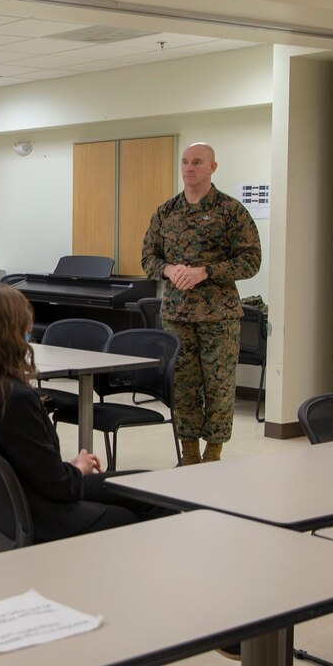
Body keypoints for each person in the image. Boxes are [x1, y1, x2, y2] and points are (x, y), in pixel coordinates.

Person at [0, 283, 167, 546]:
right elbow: (61, 488)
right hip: (46, 518)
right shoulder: (14, 399)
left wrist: (69, 470)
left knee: (152, 485)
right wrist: (78, 468)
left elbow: (36, 467)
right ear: (10, 334)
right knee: (154, 504)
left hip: (10, 512)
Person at [141, 142, 261, 465]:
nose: (188, 168)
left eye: (196, 162)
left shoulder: (231, 211)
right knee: (183, 385)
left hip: (218, 315)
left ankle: (214, 452)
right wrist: (168, 269)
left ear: (212, 167)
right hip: (177, 315)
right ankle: (189, 452)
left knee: (219, 385)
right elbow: (148, 257)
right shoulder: (166, 211)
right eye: (184, 162)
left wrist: (205, 272)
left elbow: (251, 260)